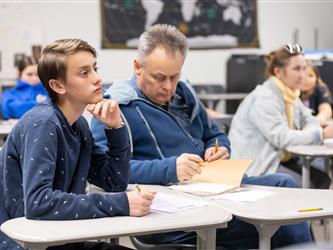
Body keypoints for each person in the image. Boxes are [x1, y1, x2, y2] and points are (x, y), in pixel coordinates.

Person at [91, 24, 312, 249]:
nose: (167, 87)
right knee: (285, 223)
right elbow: (107, 173)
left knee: (286, 186)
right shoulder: (114, 108)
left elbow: (215, 133)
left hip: (211, 189)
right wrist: (170, 168)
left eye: (174, 76)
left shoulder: (184, 94)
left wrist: (218, 147)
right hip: (173, 211)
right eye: (159, 78)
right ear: (137, 67)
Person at [0, 38, 155, 250]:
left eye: (95, 68)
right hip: (22, 242)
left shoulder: (79, 125)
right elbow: (37, 203)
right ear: (57, 85)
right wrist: (121, 204)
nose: (98, 79)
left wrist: (116, 128)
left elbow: (114, 182)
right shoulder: (44, 124)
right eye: (84, 73)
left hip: (59, 236)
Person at [228, 44, 333, 189]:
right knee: (298, 183)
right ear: (278, 72)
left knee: (322, 178)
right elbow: (282, 138)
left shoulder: (291, 94)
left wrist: (314, 131)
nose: (302, 75)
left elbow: (309, 120)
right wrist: (320, 135)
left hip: (278, 159)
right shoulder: (264, 99)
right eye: (296, 69)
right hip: (256, 168)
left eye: (304, 68)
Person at [1, 55, 48, 120]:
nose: (34, 79)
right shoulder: (9, 94)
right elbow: (12, 109)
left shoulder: (49, 92)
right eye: (29, 74)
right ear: (19, 73)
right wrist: (43, 105)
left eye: (38, 75)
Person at [300, 61, 333, 127]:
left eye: (311, 76)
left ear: (317, 78)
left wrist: (317, 120)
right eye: (303, 76)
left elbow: (326, 110)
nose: (307, 79)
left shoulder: (319, 89)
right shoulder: (293, 92)